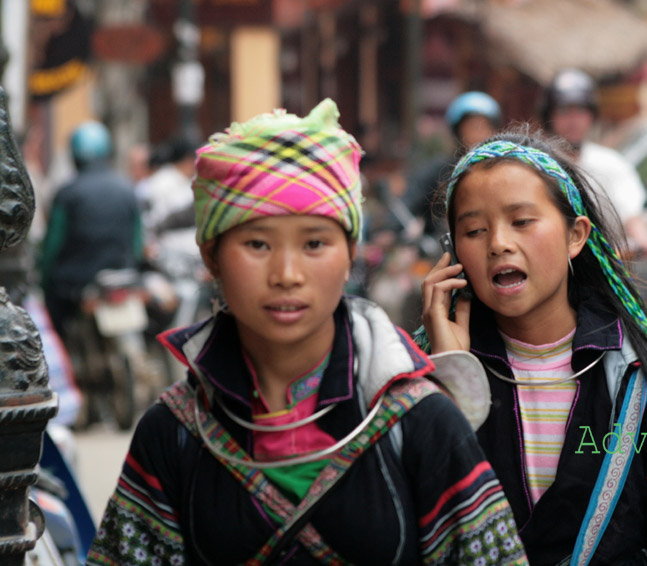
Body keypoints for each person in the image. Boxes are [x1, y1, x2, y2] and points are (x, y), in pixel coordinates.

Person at [86, 99, 528, 565]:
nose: (287, 274)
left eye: (315, 243)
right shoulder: (172, 434)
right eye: (257, 244)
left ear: (350, 252)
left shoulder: (422, 424)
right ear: (212, 256)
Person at [418, 128, 647, 565]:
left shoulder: (641, 375)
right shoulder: (415, 377)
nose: (498, 243)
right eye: (474, 229)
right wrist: (451, 377)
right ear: (453, 252)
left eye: (521, 222)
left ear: (576, 235)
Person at [39, 121, 144, 339]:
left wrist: (44, 276)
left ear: (75, 156)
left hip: (76, 282)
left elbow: (53, 245)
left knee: (53, 321)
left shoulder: (68, 193)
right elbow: (137, 241)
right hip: (122, 274)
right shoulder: (127, 188)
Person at [544, 69, 647, 258]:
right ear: (549, 116)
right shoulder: (538, 166)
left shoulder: (610, 164)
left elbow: (631, 212)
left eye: (580, 111)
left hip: (603, 266)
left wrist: (643, 240)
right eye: (564, 111)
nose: (573, 120)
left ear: (591, 116)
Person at [401, 91, 501, 240]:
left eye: (483, 126)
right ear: (458, 131)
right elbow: (408, 203)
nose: (477, 133)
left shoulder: (502, 170)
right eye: (471, 126)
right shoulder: (439, 170)